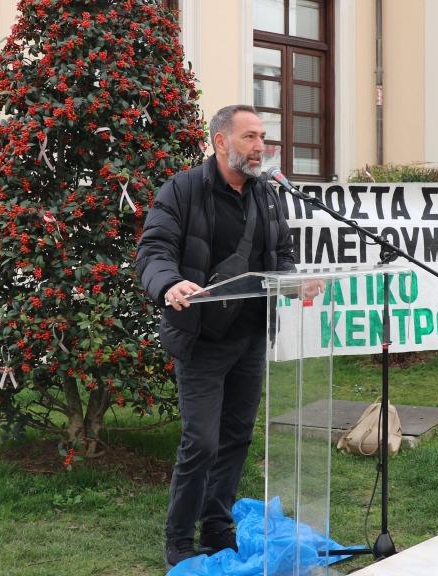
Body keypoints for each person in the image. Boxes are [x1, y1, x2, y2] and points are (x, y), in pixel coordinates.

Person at [135, 104, 301, 568]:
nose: (261, 146)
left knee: (236, 437)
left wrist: (293, 281)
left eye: (263, 137)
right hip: (202, 338)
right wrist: (170, 284)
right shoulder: (183, 189)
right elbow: (154, 250)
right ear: (221, 141)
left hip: (251, 336)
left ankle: (217, 526)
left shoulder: (268, 195)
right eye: (250, 137)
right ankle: (179, 537)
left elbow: (282, 253)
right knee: (202, 442)